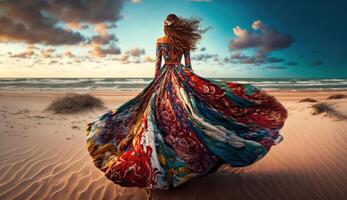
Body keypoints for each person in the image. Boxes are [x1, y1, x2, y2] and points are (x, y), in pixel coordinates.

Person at [86, 14, 288, 190]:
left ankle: (165, 161)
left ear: (165, 26)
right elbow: (188, 66)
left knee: (156, 113)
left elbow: (158, 64)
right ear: (178, 25)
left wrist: (157, 82)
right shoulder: (184, 42)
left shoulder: (160, 40)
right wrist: (191, 83)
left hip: (165, 76)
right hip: (182, 75)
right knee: (188, 112)